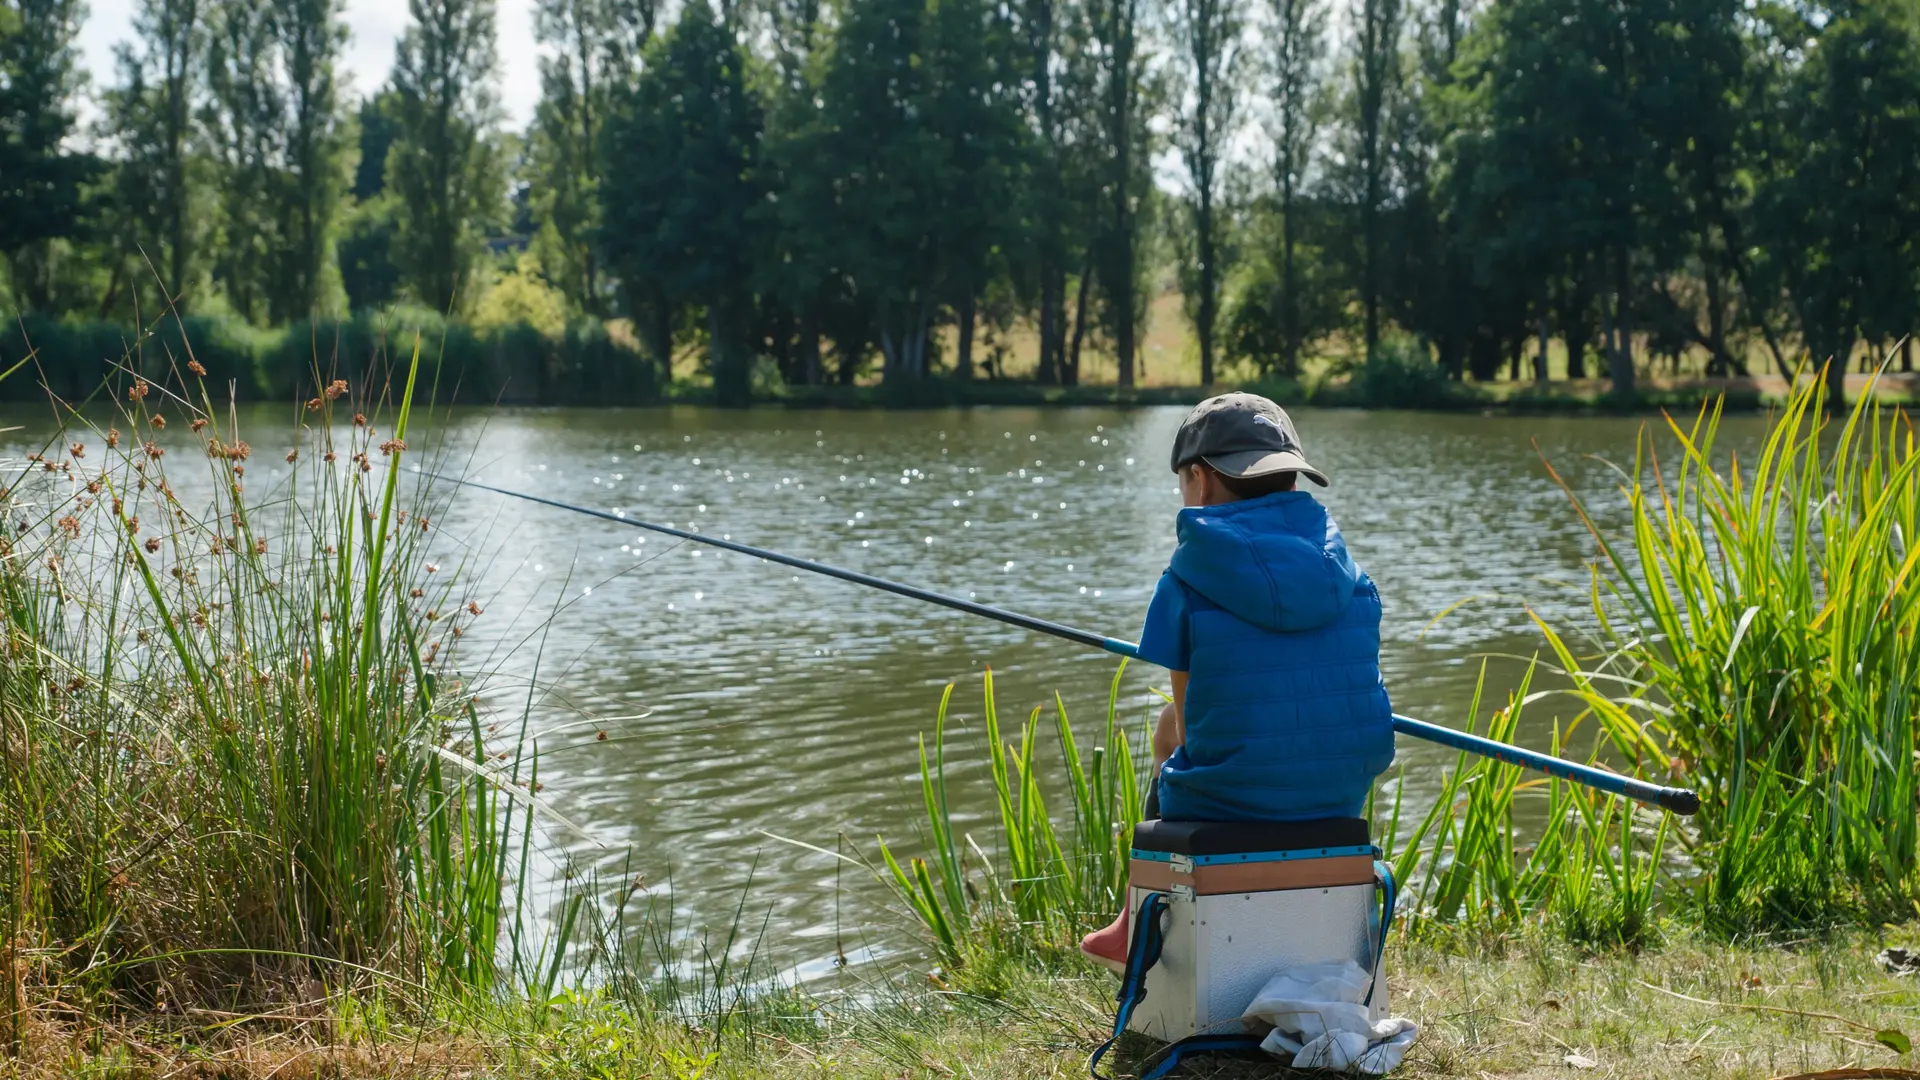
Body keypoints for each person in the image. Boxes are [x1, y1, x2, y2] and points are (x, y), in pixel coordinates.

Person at [1079, 392, 1396, 971]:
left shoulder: (1188, 577)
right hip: (1340, 796)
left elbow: (1194, 736)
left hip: (1230, 804)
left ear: (1199, 481)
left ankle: (1133, 920)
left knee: (1167, 730)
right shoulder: (1353, 577)